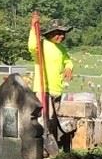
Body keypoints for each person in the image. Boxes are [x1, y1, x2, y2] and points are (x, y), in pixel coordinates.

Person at [30, 19, 74, 151]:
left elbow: (68, 60)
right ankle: (41, 145)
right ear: (50, 33)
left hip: (56, 88)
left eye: (63, 33)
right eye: (58, 33)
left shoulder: (61, 48)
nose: (61, 36)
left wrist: (68, 68)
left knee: (54, 118)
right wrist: (33, 28)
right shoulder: (42, 45)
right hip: (43, 87)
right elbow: (32, 46)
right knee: (45, 117)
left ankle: (53, 143)